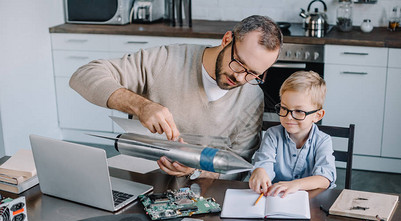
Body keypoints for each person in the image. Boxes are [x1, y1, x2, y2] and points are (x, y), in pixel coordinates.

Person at [69, 15, 283, 180]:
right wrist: (141, 105)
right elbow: (84, 75)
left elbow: (240, 165)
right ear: (227, 39)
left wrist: (197, 172)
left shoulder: (252, 96)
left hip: (201, 195)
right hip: (141, 181)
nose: (239, 77)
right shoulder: (165, 59)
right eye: (238, 63)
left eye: (253, 73)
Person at [249, 71, 336, 197]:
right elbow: (264, 162)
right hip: (277, 198)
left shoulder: (323, 140)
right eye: (284, 108)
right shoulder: (272, 135)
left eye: (299, 111)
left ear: (317, 116)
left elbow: (325, 178)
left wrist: (297, 184)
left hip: (310, 203)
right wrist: (260, 171)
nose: (289, 117)